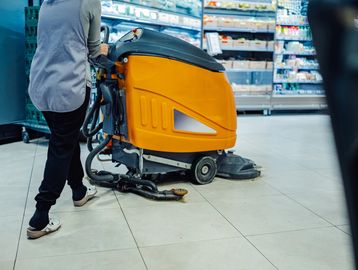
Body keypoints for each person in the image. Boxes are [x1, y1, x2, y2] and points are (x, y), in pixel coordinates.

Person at [27, 0, 109, 239]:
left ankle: (79, 191)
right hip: (69, 87)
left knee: (66, 138)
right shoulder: (89, 2)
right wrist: (104, 49)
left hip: (41, 86)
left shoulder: (46, 4)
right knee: (61, 146)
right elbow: (94, 50)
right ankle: (40, 216)